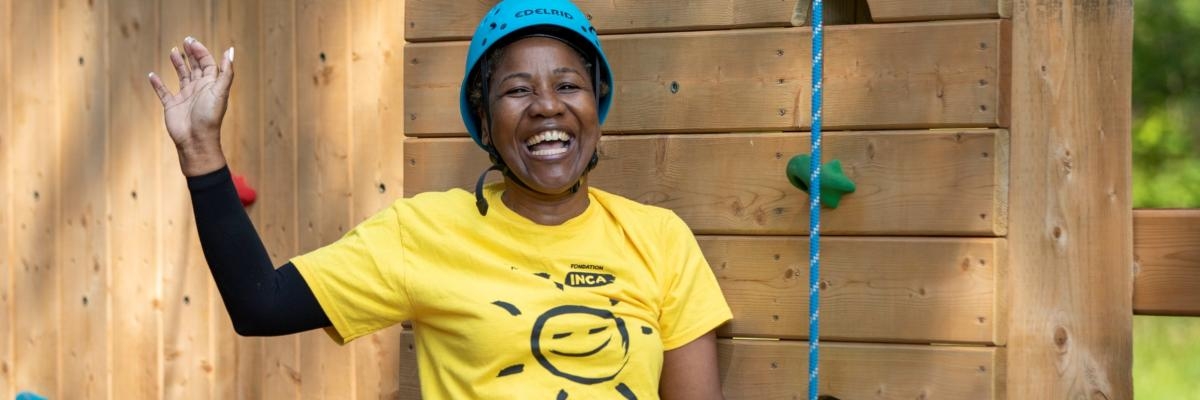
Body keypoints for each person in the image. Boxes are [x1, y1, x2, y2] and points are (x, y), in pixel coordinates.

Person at [147, 0, 732, 398]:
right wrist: (200, 149)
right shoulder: (422, 231)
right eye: (517, 90)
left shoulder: (660, 239)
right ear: (484, 118)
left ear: (595, 106)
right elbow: (260, 306)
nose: (547, 106)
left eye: (568, 84)